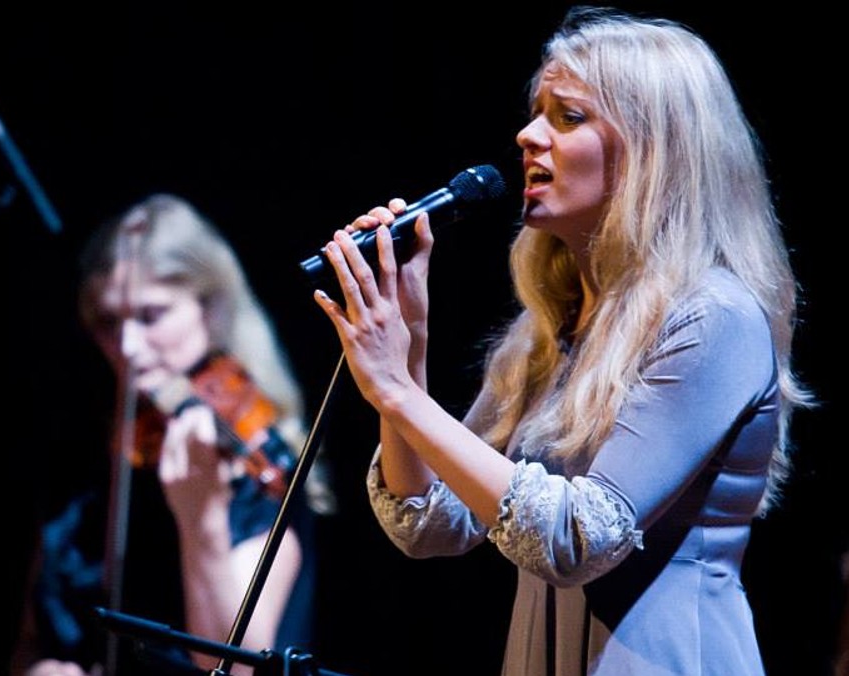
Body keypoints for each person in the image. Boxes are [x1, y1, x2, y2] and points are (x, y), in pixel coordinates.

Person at [312, 6, 811, 675]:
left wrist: (399, 393)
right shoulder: (550, 329)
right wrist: (408, 350)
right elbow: (432, 526)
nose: (526, 135)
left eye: (566, 117)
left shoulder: (715, 317)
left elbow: (578, 539)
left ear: (652, 149)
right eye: (536, 112)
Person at [14, 193, 332, 676]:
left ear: (210, 309)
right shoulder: (91, 456)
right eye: (107, 322)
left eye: (151, 316)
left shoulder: (253, 462)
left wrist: (200, 519)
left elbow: (236, 664)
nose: (128, 346)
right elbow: (31, 641)